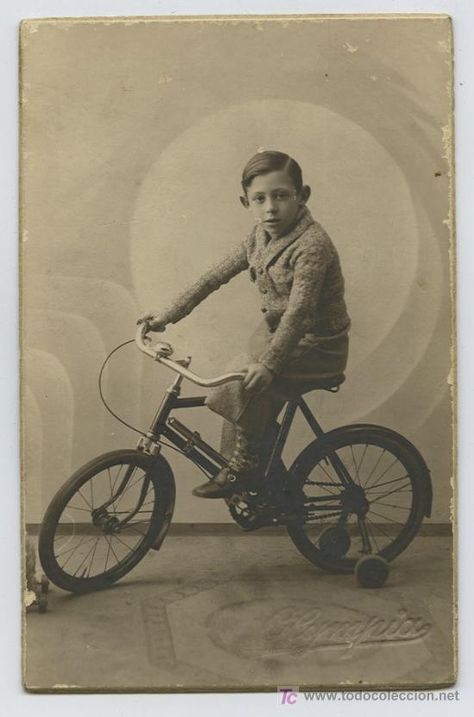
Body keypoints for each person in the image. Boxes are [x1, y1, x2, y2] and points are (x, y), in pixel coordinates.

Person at [137, 150, 351, 498]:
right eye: (260, 199)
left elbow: (298, 314)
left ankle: (246, 469)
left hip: (317, 345)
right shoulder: (258, 237)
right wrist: (167, 316)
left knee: (240, 386)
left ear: (302, 196)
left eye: (281, 195)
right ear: (246, 202)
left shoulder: (312, 245)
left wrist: (268, 365)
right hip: (275, 334)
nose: (271, 207)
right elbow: (213, 277)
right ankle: (263, 475)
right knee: (236, 385)